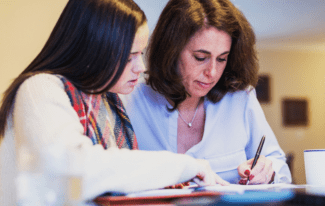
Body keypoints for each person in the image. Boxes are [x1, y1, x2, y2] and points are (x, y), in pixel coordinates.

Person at [0, 0, 228, 204]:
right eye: (129, 57)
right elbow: (73, 169)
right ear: (94, 49)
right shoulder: (40, 89)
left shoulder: (110, 102)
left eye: (141, 54)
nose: (141, 68)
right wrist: (184, 166)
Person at [125, 0, 292, 185]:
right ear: (170, 50)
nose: (212, 72)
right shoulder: (130, 98)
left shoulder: (240, 99)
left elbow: (280, 167)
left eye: (222, 59)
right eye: (200, 57)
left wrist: (268, 171)